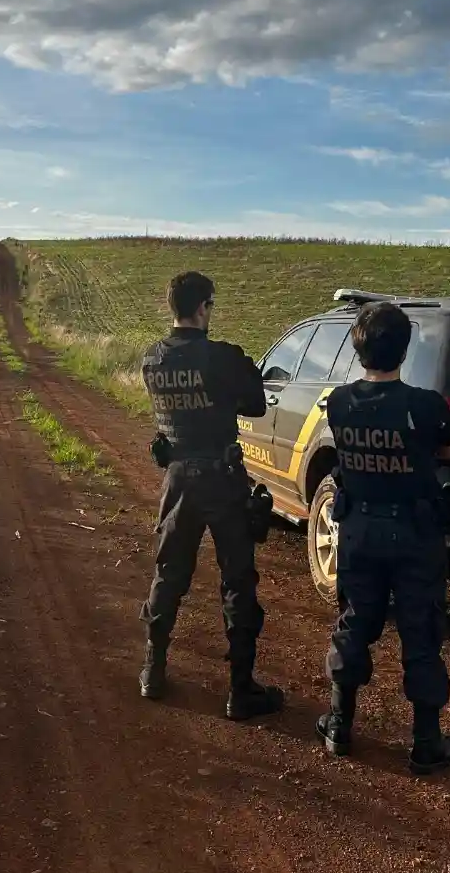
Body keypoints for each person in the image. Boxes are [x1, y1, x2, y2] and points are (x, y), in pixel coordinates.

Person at [314, 300, 450, 773]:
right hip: (415, 535)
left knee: (356, 621)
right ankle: (425, 742)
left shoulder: (339, 402)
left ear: (358, 349)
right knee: (421, 630)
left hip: (359, 531)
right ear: (405, 348)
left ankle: (339, 724)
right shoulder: (425, 405)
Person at [137, 271, 284, 721]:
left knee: (169, 572)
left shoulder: (153, 359)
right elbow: (256, 404)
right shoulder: (224, 358)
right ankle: (241, 690)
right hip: (222, 477)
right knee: (237, 580)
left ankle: (153, 671)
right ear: (204, 307)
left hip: (178, 477)